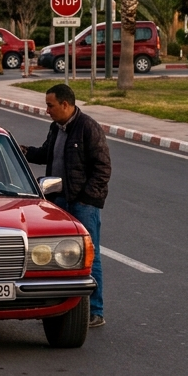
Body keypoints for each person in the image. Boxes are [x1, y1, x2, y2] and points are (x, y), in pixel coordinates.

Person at [21, 83, 111, 329]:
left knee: (89, 258)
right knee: (56, 256)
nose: (47, 110)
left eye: (50, 105)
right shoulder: (56, 128)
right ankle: (58, 307)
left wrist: (85, 197)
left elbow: (103, 168)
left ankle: (95, 310)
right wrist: (22, 152)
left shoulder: (88, 128)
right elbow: (45, 154)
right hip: (58, 203)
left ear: (65, 104)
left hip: (83, 205)